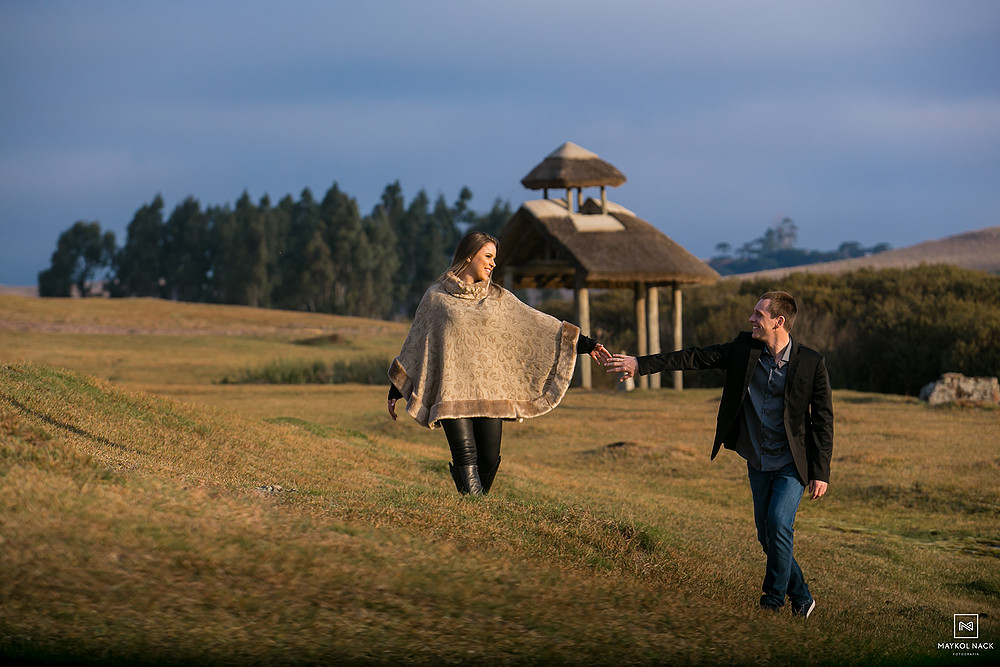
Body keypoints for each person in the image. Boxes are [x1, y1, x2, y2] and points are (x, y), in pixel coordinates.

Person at [606, 291, 833, 618]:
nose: (751, 319)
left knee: (779, 524)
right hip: (757, 460)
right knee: (767, 536)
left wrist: (820, 471)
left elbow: (823, 418)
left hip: (791, 464)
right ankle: (802, 596)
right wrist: (641, 364)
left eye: (759, 315)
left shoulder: (812, 362)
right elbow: (695, 357)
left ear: (778, 321)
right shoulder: (745, 349)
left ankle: (771, 603)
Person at [387, 231, 611, 496]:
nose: (493, 263)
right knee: (465, 454)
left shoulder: (498, 299)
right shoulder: (435, 298)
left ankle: (474, 508)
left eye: (495, 258)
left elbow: (536, 325)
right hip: (452, 391)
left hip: (491, 392)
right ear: (469, 256)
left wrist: (584, 343)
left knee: (490, 458)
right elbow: (416, 344)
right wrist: (396, 390)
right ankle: (475, 511)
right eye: (488, 256)